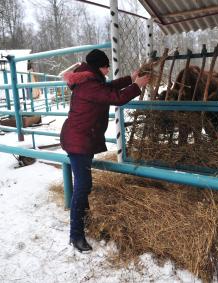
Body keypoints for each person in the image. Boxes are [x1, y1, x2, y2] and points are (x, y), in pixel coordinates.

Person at [60, 49, 149, 253]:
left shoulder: (89, 81)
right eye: (106, 66)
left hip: (81, 139)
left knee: (83, 185)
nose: (108, 69)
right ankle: (76, 235)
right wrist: (136, 86)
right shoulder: (89, 84)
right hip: (79, 141)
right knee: (83, 186)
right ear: (98, 66)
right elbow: (115, 97)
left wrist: (130, 78)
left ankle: (83, 219)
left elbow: (108, 87)